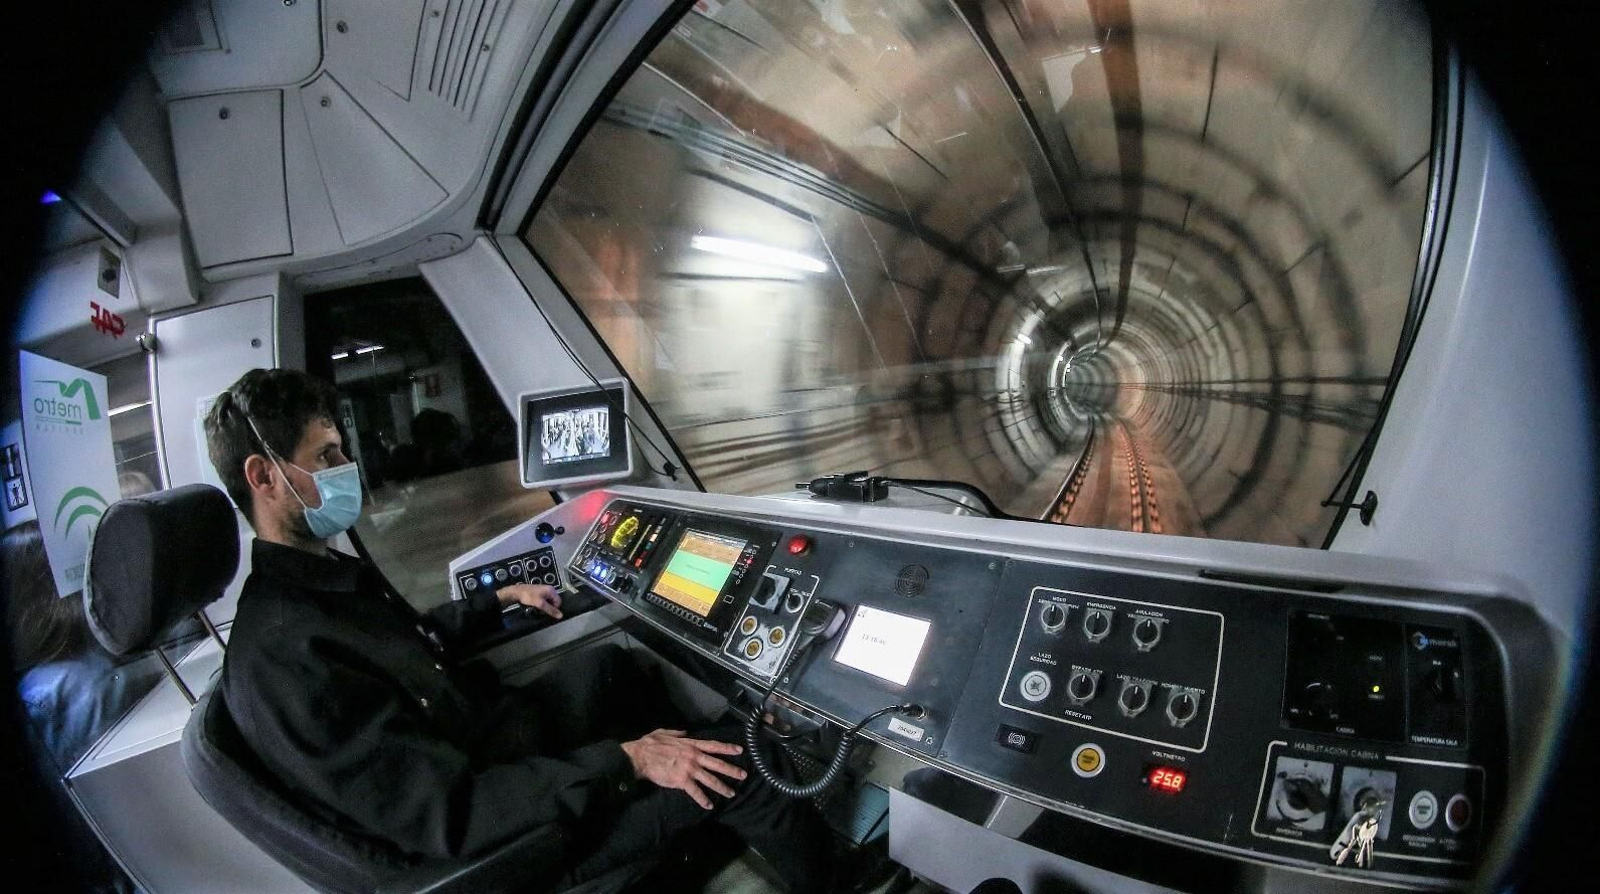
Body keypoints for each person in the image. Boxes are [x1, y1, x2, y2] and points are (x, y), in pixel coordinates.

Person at [201, 368, 834, 892]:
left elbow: (404, 649)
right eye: (327, 455)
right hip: (503, 849)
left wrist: (493, 599)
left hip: (483, 747)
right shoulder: (288, 657)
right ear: (263, 476)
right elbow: (456, 817)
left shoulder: (316, 587)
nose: (348, 467)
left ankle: (683, 822)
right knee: (754, 766)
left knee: (610, 669)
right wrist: (627, 761)